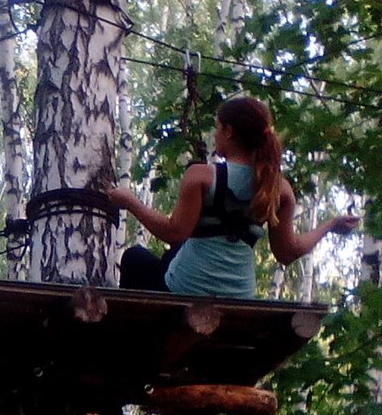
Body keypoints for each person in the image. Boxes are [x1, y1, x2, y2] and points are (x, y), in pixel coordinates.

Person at [106, 95, 359, 298]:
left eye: (217, 128)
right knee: (176, 252)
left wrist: (130, 202)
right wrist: (329, 225)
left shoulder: (202, 176)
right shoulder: (277, 188)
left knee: (135, 257)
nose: (215, 135)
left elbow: (174, 232)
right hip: (240, 295)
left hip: (184, 290)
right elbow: (287, 252)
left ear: (228, 131)